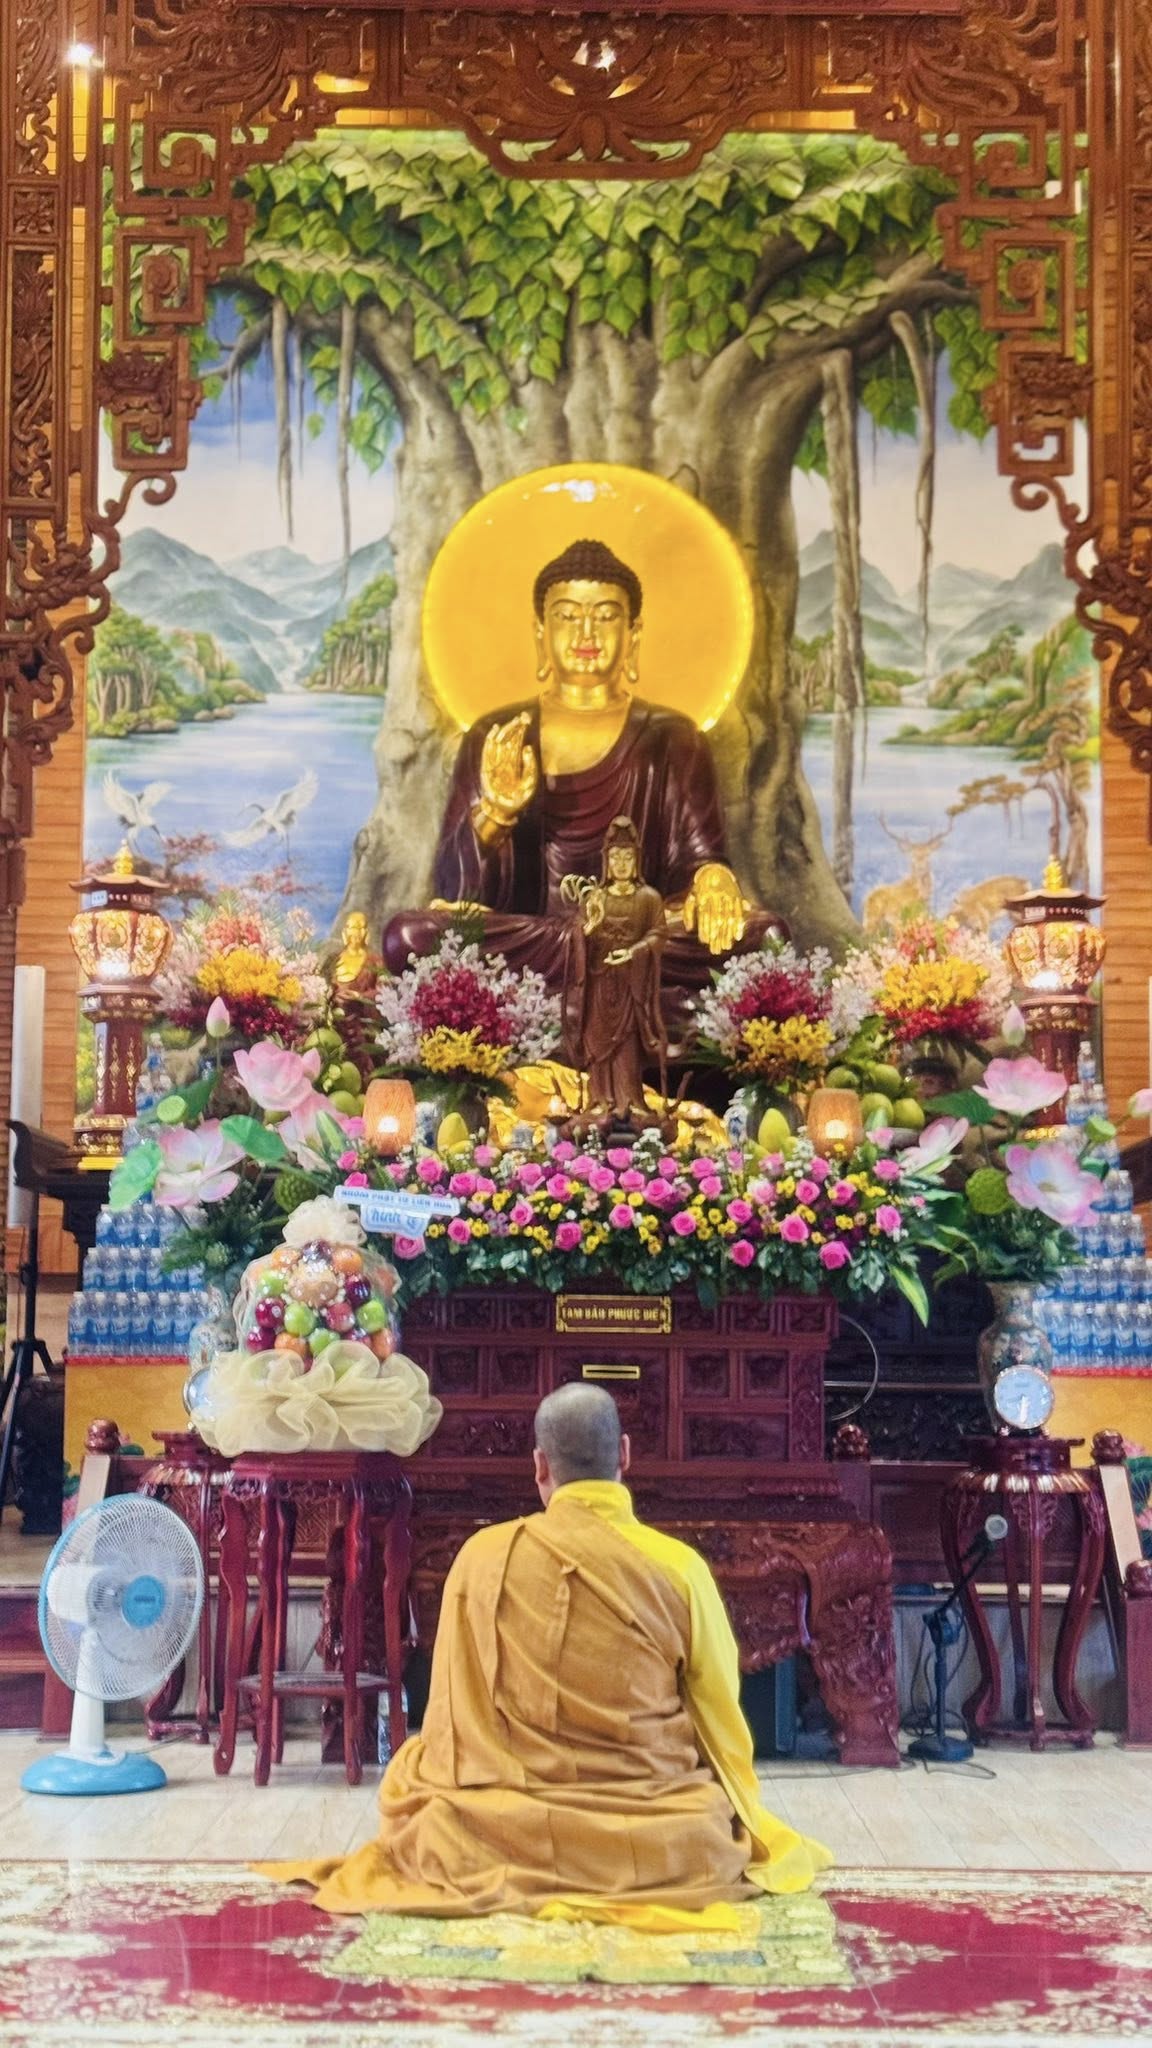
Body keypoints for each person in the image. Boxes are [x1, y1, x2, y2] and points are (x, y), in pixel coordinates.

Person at [270, 1384, 831, 1924]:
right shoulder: (679, 1569)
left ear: (540, 1465)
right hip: (651, 1833)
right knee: (703, 1828)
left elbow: (446, 1723)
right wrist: (739, 1809)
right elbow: (719, 1719)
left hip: (494, 1829)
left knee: (422, 1788)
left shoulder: (480, 1557)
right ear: (625, 1455)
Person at [382, 539, 783, 1036]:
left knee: (766, 936)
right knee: (410, 936)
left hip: (638, 937)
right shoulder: (496, 735)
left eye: (606, 616)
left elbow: (697, 860)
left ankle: (547, 1015)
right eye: (568, 616)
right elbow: (454, 891)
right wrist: (496, 815)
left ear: (633, 633)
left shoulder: (673, 737)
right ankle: (623, 1014)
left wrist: (714, 880)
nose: (586, 632)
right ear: (541, 632)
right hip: (536, 940)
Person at [562, 815, 667, 1124]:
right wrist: (588, 928)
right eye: (616, 857)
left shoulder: (649, 898)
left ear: (637, 861)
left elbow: (659, 934)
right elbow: (577, 933)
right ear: (607, 861)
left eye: (627, 857)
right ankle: (599, 1101)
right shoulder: (596, 897)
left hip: (630, 985)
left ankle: (630, 1099)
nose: (621, 864)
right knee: (597, 1044)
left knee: (626, 1046)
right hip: (599, 982)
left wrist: (633, 952)